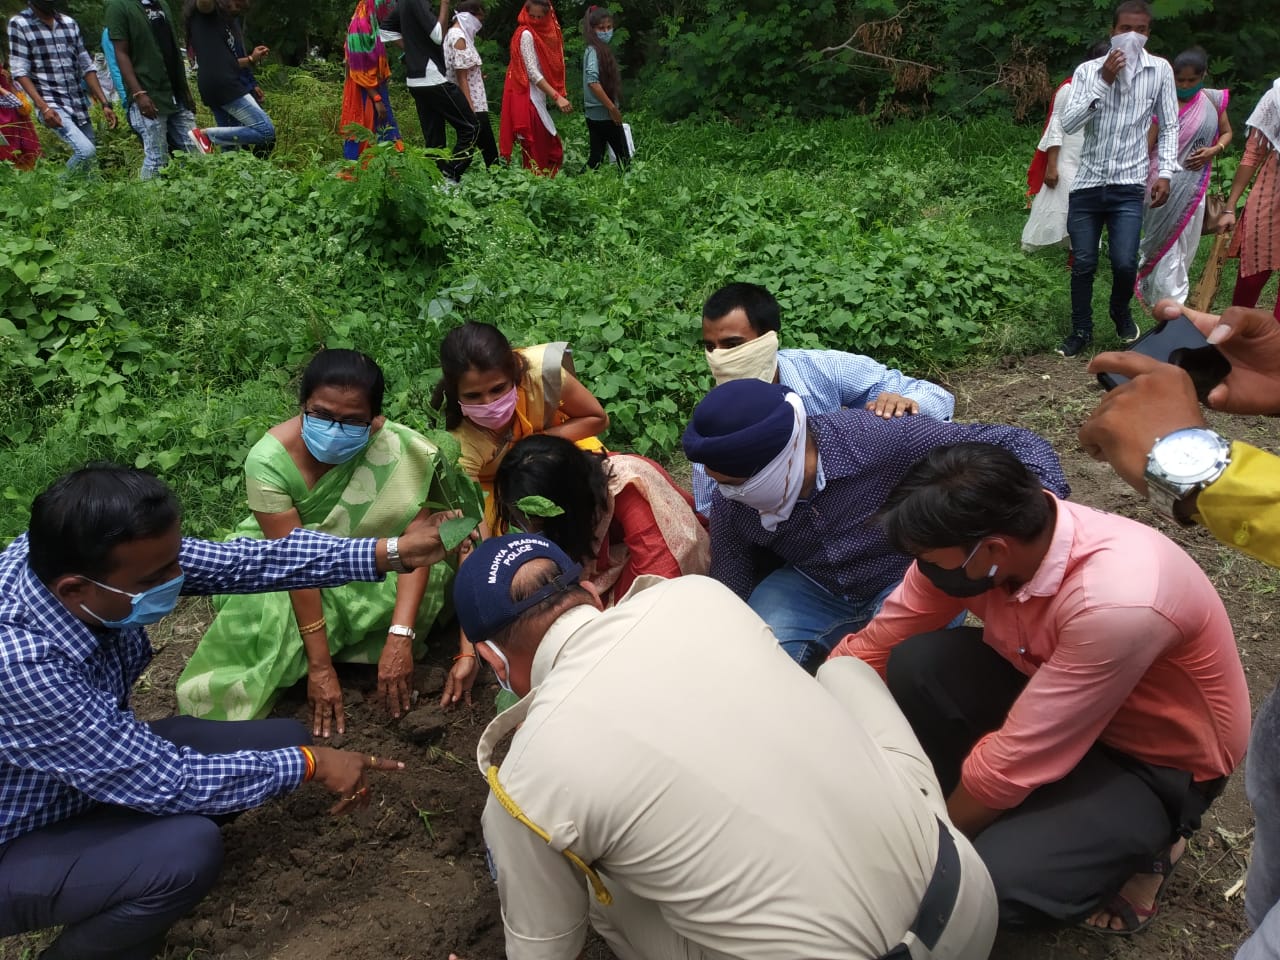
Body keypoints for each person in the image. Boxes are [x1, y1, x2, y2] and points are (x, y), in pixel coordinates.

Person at [446, 533, 998, 960]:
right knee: (843, 673)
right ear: (590, 592)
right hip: (970, 902)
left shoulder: (524, 781)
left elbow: (544, 951)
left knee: (595, 880)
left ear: (494, 658)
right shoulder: (699, 594)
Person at [0, 463, 467, 960]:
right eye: (157, 577)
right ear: (74, 590)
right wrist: (310, 765)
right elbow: (168, 780)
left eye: (175, 562)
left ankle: (123, 862)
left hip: (76, 775)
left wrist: (393, 552)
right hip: (17, 834)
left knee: (280, 740)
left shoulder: (69, 553)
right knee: (186, 852)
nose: (177, 579)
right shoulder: (20, 664)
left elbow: (247, 563)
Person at [827, 442, 1248, 934]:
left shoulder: (1117, 601)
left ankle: (1157, 844)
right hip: (1050, 693)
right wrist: (810, 718)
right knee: (917, 663)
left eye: (927, 557)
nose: (922, 566)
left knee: (990, 887)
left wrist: (931, 854)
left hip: (1154, 757)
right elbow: (875, 645)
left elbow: (1012, 760)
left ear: (993, 550)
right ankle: (1019, 814)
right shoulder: (969, 550)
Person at [681, 378, 1068, 672]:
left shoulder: (881, 439)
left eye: (734, 483)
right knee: (755, 657)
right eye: (718, 483)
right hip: (813, 584)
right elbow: (730, 580)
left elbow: (1015, 442)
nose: (725, 494)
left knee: (906, 669)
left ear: (779, 462)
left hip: (903, 575)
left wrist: (1029, 517)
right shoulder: (733, 502)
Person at [175, 350, 461, 736]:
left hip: (372, 558)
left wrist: (401, 637)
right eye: (322, 415)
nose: (334, 429)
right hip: (284, 562)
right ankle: (312, 661)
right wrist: (321, 668)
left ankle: (355, 647)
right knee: (265, 613)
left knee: (427, 585)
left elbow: (415, 548)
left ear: (375, 420)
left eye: (352, 420)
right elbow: (292, 563)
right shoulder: (268, 461)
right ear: (303, 405)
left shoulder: (400, 450)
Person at [691, 281, 956, 514]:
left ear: (769, 339)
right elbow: (708, 506)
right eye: (710, 347)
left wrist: (905, 405)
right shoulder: (713, 418)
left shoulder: (823, 369)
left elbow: (937, 396)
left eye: (732, 345)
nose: (719, 357)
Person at [1055, 0, 1178, 357]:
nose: (1132, 36)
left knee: (1124, 262)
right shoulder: (1088, 71)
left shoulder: (1160, 70)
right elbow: (1070, 123)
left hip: (1129, 184)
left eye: (1140, 30)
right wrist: (1104, 81)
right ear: (1112, 32)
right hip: (1088, 184)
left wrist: (1166, 172)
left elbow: (1169, 125)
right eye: (1125, 29)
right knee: (1084, 262)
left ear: (1149, 33)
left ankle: (1120, 311)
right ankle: (1081, 330)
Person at [432, 321, 609, 529]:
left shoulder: (541, 376)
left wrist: (534, 443)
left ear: (515, 376)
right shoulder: (456, 442)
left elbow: (597, 418)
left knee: (595, 488)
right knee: (501, 531)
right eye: (473, 396)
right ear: (455, 393)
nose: (489, 403)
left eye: (498, 389)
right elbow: (478, 525)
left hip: (549, 449)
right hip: (492, 484)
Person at [494, 434, 709, 604]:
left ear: (565, 506)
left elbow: (659, 579)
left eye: (536, 521)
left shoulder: (629, 488)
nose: (529, 527)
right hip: (605, 564)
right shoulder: (561, 491)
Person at [1135, 47, 1232, 305]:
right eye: (1180, 80)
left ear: (1203, 76)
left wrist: (1214, 150)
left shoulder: (1212, 101)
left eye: (1192, 80)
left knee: (1185, 246)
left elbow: (1227, 132)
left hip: (1193, 187)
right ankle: (1171, 304)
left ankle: (1164, 300)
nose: (1185, 85)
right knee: (1164, 247)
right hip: (1159, 185)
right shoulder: (1162, 102)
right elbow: (1147, 146)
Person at [104, 0, 211, 178]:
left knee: (197, 150)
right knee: (157, 158)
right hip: (148, 94)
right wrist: (138, 94)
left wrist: (185, 91)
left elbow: (172, 49)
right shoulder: (119, 6)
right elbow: (120, 52)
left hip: (175, 93)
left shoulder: (161, 4)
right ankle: (146, 196)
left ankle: (196, 192)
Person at [1022, 41, 1110, 254]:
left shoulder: (1112, 93)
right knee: (1057, 203)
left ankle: (1077, 255)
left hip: (1092, 160)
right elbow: (1055, 127)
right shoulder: (1070, 89)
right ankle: (1030, 247)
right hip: (1066, 158)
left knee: (1088, 207)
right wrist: (1052, 166)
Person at [7, 1, 116, 172]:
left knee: (90, 166)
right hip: (51, 103)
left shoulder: (69, 23)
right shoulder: (20, 23)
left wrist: (105, 103)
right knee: (86, 152)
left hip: (77, 101)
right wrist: (43, 107)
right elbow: (20, 71)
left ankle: (85, 189)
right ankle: (56, 186)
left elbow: (86, 66)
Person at [380, 0, 480, 183]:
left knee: (434, 140)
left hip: (415, 81)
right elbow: (437, 35)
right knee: (471, 127)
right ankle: (450, 176)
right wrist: (445, 4)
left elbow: (385, 30)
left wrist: (413, 51)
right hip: (432, 78)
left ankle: (436, 183)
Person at [1221, 78, 1280, 321]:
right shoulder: (1277, 96)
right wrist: (1230, 207)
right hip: (1273, 189)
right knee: (1253, 272)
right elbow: (1253, 153)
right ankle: (1236, 330)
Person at [183, 0, 275, 154]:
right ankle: (205, 136)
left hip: (215, 84)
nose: (237, 9)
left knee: (230, 148)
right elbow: (204, 3)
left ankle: (226, 168)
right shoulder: (207, 11)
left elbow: (229, 63)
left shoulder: (223, 23)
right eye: (236, 4)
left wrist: (251, 59)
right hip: (224, 84)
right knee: (266, 131)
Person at [499, 0, 571, 175]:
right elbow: (532, 72)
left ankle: (541, 185)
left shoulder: (541, 36)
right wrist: (557, 97)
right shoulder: (526, 34)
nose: (536, 21)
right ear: (526, 13)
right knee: (542, 152)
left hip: (537, 98)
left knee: (547, 149)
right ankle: (536, 186)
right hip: (528, 100)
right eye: (532, 16)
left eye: (540, 17)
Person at [340, 0, 402, 161]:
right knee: (365, 133)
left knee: (384, 130)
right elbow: (357, 68)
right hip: (365, 91)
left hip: (375, 87)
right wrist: (376, 98)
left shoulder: (371, 23)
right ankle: (359, 171)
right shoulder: (360, 26)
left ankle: (388, 170)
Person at [443, 1, 498, 167]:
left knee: (479, 146)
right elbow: (461, 78)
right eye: (479, 20)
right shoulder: (458, 37)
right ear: (469, 17)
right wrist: (470, 109)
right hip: (472, 102)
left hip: (474, 99)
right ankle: (451, 174)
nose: (479, 25)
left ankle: (452, 175)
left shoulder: (458, 35)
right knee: (481, 147)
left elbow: (465, 71)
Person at [582, 5, 627, 170]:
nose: (606, 32)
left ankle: (577, 181)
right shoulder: (594, 51)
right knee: (624, 160)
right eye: (601, 28)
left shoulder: (596, 50)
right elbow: (593, 82)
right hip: (604, 114)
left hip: (593, 113)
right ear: (592, 30)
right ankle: (628, 184)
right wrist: (612, 108)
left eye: (609, 27)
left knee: (596, 158)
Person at [0, 51, 40, 170]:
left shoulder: (5, 75)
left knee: (15, 151)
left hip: (12, 116)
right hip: (12, 116)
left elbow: (17, 103)